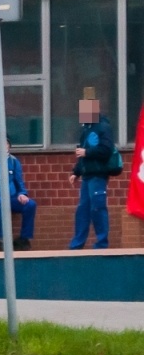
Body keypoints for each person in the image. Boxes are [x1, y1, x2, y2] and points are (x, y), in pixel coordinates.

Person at [70, 92, 117, 250]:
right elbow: (81, 153)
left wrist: (87, 153)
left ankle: (101, 243)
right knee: (82, 210)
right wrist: (76, 172)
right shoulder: (86, 130)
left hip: (98, 174)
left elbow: (106, 149)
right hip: (87, 175)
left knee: (97, 208)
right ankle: (77, 244)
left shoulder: (103, 127)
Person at [0, 141, 36, 250]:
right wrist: (1, 164)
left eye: (6, 143)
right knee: (1, 202)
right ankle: (1, 237)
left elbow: (19, 182)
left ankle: (24, 239)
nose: (4, 146)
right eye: (0, 143)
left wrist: (22, 194)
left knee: (30, 204)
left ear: (9, 146)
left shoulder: (14, 161)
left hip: (10, 197)